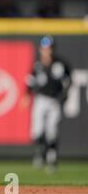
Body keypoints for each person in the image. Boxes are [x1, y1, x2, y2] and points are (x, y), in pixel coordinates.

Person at [24, 36, 71, 173]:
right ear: (41, 49)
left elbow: (68, 82)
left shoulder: (60, 64)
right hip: (40, 100)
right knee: (37, 131)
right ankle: (39, 154)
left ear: (53, 49)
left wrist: (64, 95)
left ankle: (52, 158)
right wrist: (27, 95)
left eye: (49, 48)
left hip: (54, 100)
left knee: (52, 131)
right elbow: (30, 82)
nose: (47, 51)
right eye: (45, 48)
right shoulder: (37, 64)